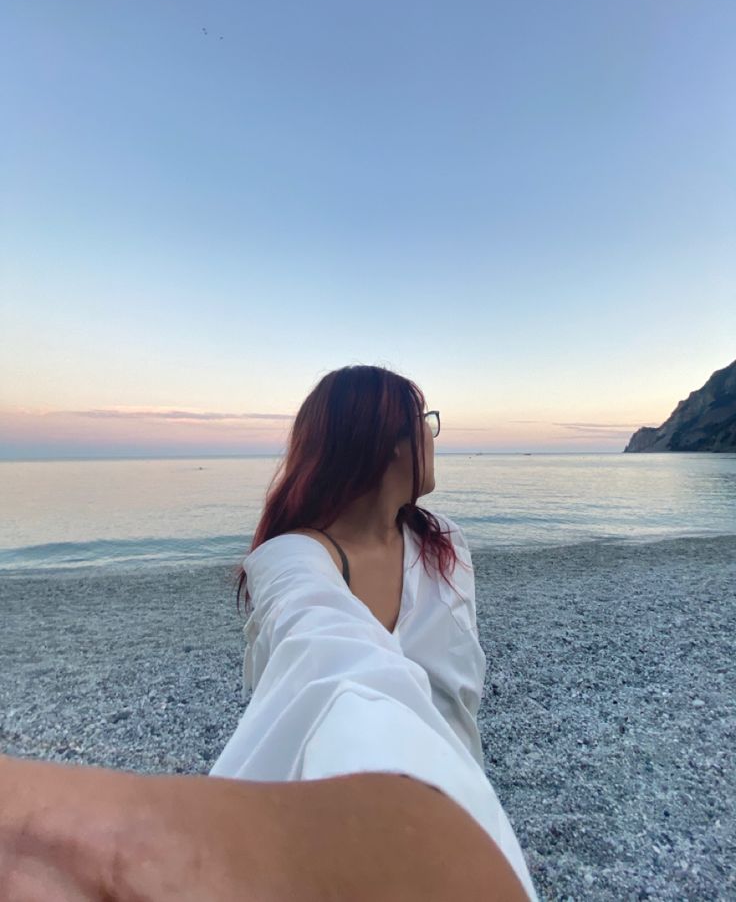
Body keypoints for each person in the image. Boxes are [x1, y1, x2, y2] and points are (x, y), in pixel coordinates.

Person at [0, 364, 538, 900]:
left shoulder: (445, 544)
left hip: (466, 778)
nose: (433, 433)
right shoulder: (291, 559)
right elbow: (331, 657)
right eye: (424, 420)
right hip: (338, 806)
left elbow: (463, 678)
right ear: (389, 443)